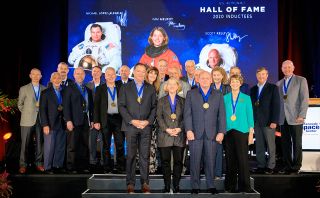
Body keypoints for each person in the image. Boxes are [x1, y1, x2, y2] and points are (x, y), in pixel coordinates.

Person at [184, 71, 226, 194]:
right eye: (202, 78)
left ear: (211, 80)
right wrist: (189, 130)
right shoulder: (191, 93)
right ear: (198, 80)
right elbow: (187, 114)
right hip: (195, 133)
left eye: (207, 78)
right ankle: (195, 186)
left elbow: (221, 115)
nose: (205, 80)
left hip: (212, 133)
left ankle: (211, 185)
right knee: (195, 160)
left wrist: (221, 132)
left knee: (211, 160)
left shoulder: (218, 94)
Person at [118, 63, 157, 194]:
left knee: (144, 156)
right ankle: (130, 183)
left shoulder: (150, 88)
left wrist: (148, 121)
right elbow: (121, 107)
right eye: (138, 71)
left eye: (143, 71)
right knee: (131, 155)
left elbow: (154, 107)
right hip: (131, 126)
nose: (140, 73)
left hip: (145, 127)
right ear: (133, 72)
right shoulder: (125, 87)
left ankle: (145, 183)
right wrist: (132, 121)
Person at [276, 60, 309, 174]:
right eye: (285, 67)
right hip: (283, 118)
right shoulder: (279, 83)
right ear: (281, 69)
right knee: (285, 144)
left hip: (296, 117)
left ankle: (296, 166)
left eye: (289, 67)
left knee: (297, 143)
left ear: (293, 68)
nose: (287, 69)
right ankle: (287, 165)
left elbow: (305, 99)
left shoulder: (301, 80)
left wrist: (302, 115)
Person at [224, 74, 254, 193]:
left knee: (243, 160)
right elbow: (221, 116)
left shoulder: (246, 98)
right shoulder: (225, 98)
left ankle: (245, 186)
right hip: (228, 131)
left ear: (240, 83)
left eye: (237, 81)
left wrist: (251, 133)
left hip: (242, 131)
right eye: (232, 81)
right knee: (230, 160)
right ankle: (230, 186)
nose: (235, 83)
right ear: (230, 83)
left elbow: (250, 117)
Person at [94, 67, 125, 173]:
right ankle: (107, 168)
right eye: (108, 74)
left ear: (116, 76)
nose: (111, 76)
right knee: (106, 145)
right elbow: (96, 106)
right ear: (105, 76)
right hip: (105, 119)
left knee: (120, 144)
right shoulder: (100, 88)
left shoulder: (121, 87)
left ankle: (121, 166)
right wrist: (96, 121)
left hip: (119, 119)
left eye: (112, 74)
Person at [157, 78, 185, 193]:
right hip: (165, 135)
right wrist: (167, 129)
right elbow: (159, 117)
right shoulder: (161, 100)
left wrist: (180, 128)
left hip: (179, 135)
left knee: (178, 162)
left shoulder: (183, 100)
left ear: (178, 86)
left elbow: (186, 117)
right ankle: (167, 185)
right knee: (165, 162)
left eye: (174, 84)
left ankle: (176, 185)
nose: (172, 86)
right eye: (170, 84)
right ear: (166, 87)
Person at [250, 67, 280, 174]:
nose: (261, 76)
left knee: (270, 145)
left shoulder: (273, 88)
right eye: (259, 75)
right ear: (256, 76)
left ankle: (271, 166)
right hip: (257, 122)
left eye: (263, 74)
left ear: (267, 75)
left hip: (269, 122)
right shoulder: (253, 89)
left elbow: (276, 105)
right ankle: (261, 165)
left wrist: (274, 121)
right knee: (259, 145)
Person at [63, 67, 93, 173]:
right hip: (73, 120)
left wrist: (92, 120)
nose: (80, 75)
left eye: (81, 74)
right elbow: (66, 106)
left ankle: (83, 166)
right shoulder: (68, 88)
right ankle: (71, 167)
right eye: (77, 74)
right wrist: (68, 120)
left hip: (85, 119)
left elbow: (91, 107)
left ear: (84, 75)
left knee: (84, 144)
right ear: (74, 75)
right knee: (72, 144)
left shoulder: (88, 90)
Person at [18, 68, 46, 174]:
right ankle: (23, 165)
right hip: (27, 120)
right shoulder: (23, 89)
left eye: (37, 74)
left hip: (41, 120)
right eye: (33, 74)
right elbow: (20, 105)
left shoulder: (45, 88)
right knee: (24, 144)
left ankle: (39, 163)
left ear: (41, 76)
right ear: (30, 75)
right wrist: (27, 113)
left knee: (40, 143)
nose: (35, 76)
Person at [40, 72, 66, 174]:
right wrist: (45, 124)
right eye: (54, 78)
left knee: (60, 146)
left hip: (62, 123)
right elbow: (43, 110)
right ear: (51, 79)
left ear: (61, 79)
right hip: (50, 124)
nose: (57, 79)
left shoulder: (64, 92)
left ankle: (57, 165)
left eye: (59, 78)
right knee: (49, 146)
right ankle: (47, 167)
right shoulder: (45, 93)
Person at [211, 66, 230, 179]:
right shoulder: (209, 87)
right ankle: (211, 172)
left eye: (218, 75)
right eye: (214, 75)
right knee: (213, 148)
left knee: (221, 148)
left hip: (224, 122)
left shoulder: (227, 88)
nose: (216, 77)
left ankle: (218, 173)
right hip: (211, 123)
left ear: (222, 76)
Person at [86, 66, 104, 172]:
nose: (96, 73)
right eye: (94, 71)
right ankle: (92, 161)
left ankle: (102, 161)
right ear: (91, 73)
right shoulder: (87, 85)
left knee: (103, 141)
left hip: (103, 117)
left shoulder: (105, 84)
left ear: (101, 73)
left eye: (98, 71)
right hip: (91, 117)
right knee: (91, 140)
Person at [145, 67, 161, 174]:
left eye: (155, 74)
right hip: (144, 120)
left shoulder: (158, 88)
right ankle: (142, 167)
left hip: (155, 120)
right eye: (151, 73)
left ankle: (151, 166)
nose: (153, 75)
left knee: (152, 144)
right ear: (147, 74)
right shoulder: (143, 86)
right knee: (144, 144)